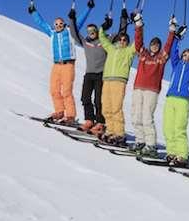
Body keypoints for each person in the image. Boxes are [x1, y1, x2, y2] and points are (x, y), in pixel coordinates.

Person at [28, 3, 92, 124]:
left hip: (68, 65)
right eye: (56, 24)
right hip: (56, 65)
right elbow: (41, 23)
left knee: (67, 91)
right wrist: (33, 12)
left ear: (64, 24)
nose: (58, 26)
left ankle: (71, 116)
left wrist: (88, 8)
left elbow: (79, 21)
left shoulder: (69, 32)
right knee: (54, 90)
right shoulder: (52, 33)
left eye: (60, 24)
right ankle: (59, 111)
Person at [70, 8, 129, 135]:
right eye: (89, 31)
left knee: (98, 100)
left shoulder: (104, 41)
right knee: (85, 98)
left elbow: (121, 34)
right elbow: (74, 34)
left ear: (97, 31)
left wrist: (123, 19)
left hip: (102, 74)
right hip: (89, 74)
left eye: (93, 31)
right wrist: (72, 19)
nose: (91, 32)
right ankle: (89, 120)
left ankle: (100, 123)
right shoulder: (85, 42)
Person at [131, 12, 176, 158]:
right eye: (153, 44)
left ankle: (151, 145)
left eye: (157, 45)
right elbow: (138, 42)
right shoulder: (143, 54)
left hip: (152, 90)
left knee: (146, 117)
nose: (154, 46)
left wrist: (172, 31)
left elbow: (168, 46)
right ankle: (140, 141)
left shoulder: (161, 58)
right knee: (136, 116)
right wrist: (138, 26)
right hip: (138, 87)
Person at [163, 23, 189, 166]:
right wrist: (177, 37)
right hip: (170, 98)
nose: (187, 57)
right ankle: (171, 152)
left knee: (179, 127)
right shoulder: (176, 64)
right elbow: (173, 52)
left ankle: (182, 155)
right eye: (185, 55)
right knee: (168, 127)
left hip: (183, 100)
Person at [97, 16, 138, 145]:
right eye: (120, 39)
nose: (122, 41)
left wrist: (138, 25)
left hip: (119, 81)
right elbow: (102, 38)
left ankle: (119, 133)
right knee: (106, 108)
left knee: (116, 107)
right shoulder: (111, 48)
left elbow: (138, 42)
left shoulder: (129, 51)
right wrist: (103, 27)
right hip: (107, 80)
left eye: (125, 39)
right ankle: (110, 130)